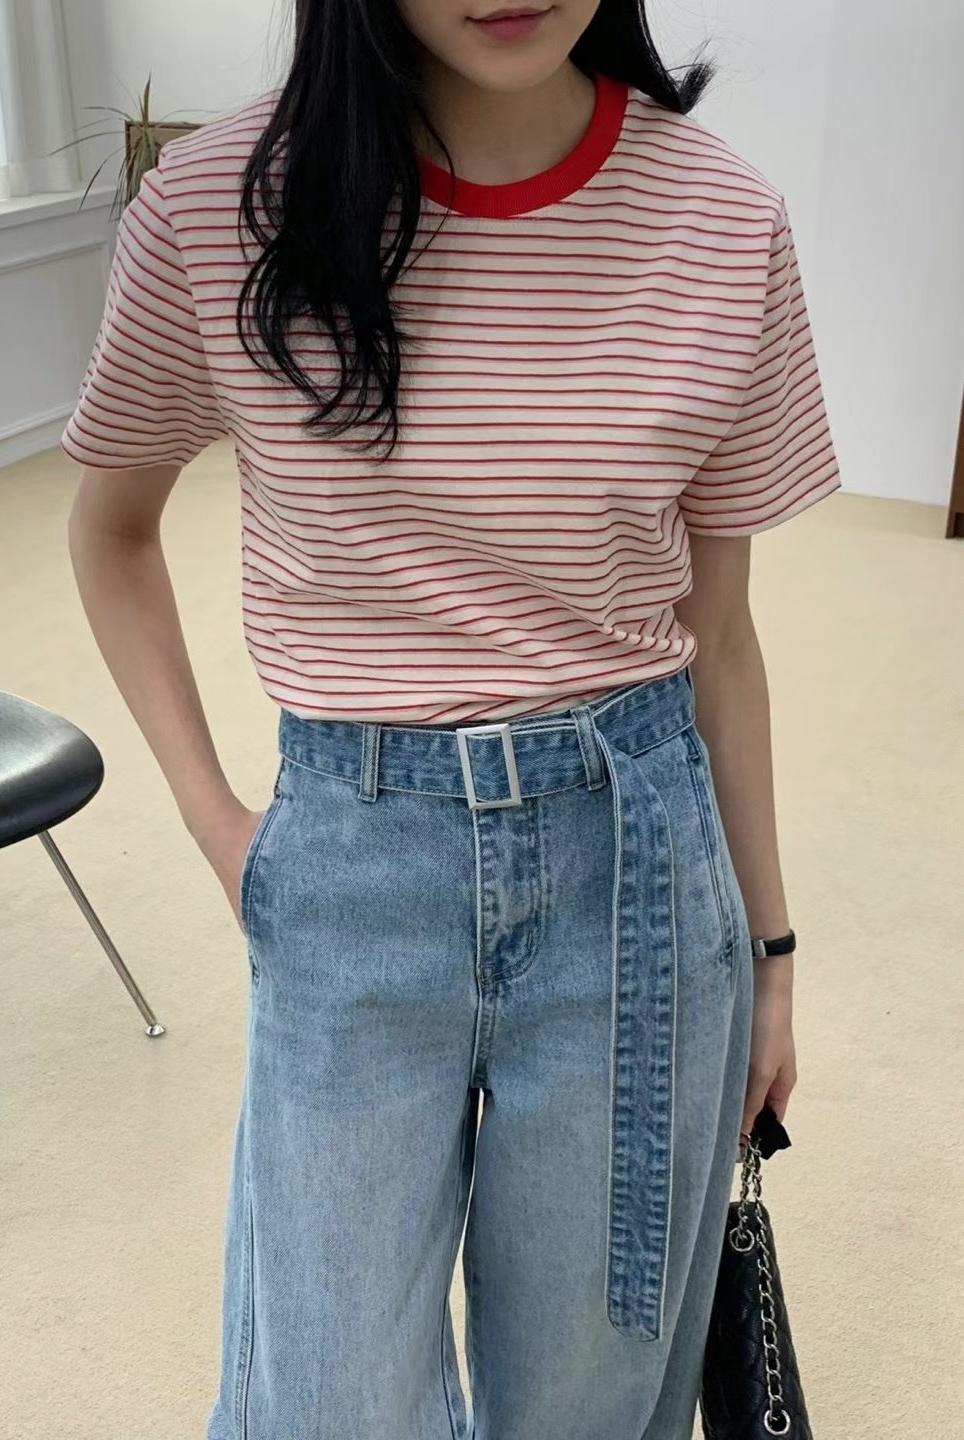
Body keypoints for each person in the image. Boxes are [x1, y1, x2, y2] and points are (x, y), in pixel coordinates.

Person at [63, 2, 840, 1436]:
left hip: (637, 870)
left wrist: (772, 954)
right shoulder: (213, 209)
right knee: (328, 1404)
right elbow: (111, 532)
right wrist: (226, 829)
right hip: (353, 858)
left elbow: (722, 635)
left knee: (590, 1401)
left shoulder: (723, 218)